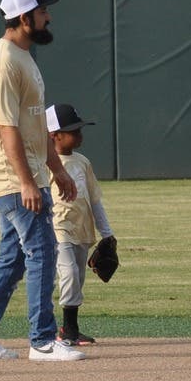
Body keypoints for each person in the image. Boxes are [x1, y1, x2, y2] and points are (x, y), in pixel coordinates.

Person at [0, 0, 85, 363]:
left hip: (26, 174)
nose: (48, 17)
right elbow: (7, 129)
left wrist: (57, 170)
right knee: (42, 251)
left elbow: (35, 124)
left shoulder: (22, 57)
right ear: (23, 18)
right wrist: (27, 182)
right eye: (42, 11)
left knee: (13, 257)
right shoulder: (3, 62)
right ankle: (43, 340)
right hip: (14, 178)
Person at [46, 102, 114, 347]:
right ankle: (67, 331)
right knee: (69, 274)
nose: (79, 135)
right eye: (73, 131)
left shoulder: (83, 162)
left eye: (79, 130)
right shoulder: (45, 164)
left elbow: (95, 200)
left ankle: (70, 328)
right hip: (58, 228)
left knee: (78, 277)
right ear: (55, 135)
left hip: (83, 229)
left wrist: (107, 234)